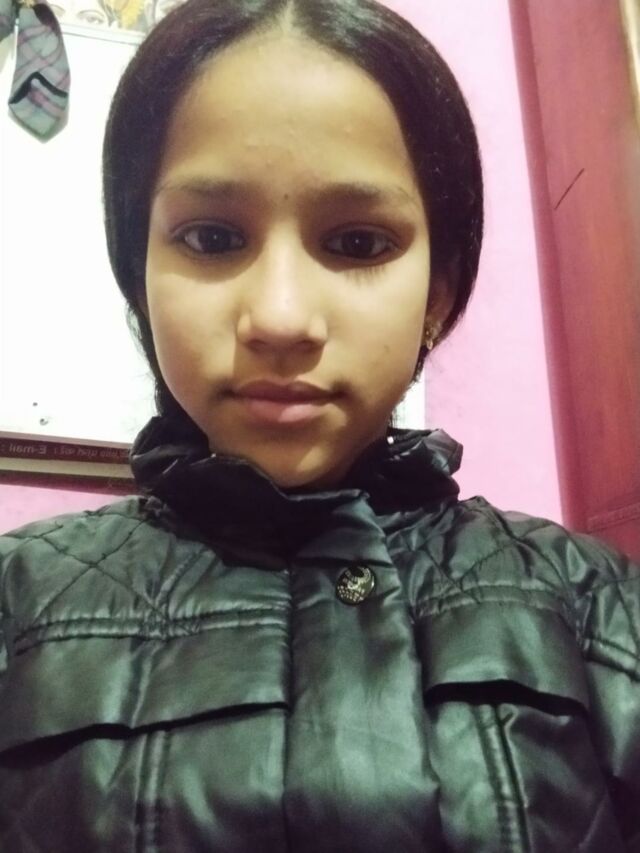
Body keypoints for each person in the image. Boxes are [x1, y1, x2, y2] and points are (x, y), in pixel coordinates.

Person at [0, 0, 638, 849]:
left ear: (439, 291)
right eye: (213, 237)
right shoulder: (16, 601)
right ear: (137, 268)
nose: (281, 317)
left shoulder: (599, 606)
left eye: (358, 244)